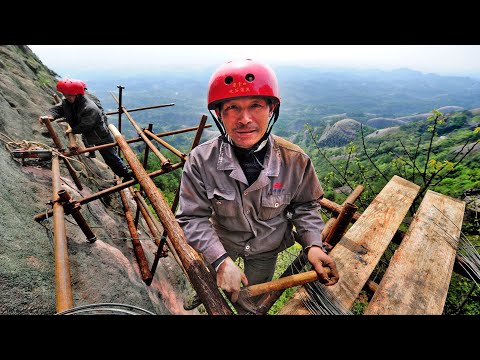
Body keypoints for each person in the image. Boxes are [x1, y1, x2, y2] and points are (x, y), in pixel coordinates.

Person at [176, 59, 339, 308]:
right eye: (232, 107)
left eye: (256, 106)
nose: (245, 119)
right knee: (215, 276)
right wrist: (220, 260)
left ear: (271, 109)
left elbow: (306, 206)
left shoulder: (295, 161)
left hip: (266, 248)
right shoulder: (201, 160)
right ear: (218, 113)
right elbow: (192, 217)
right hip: (222, 241)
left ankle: (246, 310)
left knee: (251, 298)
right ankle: (208, 289)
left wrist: (313, 245)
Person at [39, 78, 132, 181]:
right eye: (65, 94)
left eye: (68, 95)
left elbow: (85, 125)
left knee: (110, 157)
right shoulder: (68, 101)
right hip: (89, 134)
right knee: (101, 149)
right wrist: (50, 115)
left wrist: (72, 130)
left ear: (77, 94)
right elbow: (58, 108)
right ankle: (117, 166)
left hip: (100, 136)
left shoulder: (90, 108)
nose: (65, 97)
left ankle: (126, 175)